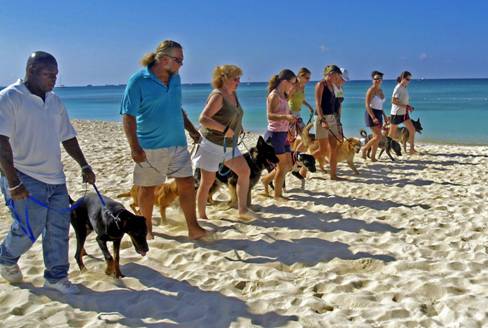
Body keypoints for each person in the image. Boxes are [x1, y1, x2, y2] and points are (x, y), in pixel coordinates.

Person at [0, 51, 96, 294]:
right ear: (30, 71)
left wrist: (84, 165)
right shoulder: (10, 98)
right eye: (48, 74)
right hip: (23, 175)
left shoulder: (54, 101)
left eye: (56, 75)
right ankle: (5, 258)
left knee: (58, 229)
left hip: (56, 178)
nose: (53, 79)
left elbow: (68, 136)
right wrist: (13, 181)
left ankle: (56, 277)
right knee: (28, 228)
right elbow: (1, 142)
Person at [120, 40, 209, 240]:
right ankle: (147, 229)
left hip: (178, 143)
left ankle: (193, 228)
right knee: (148, 188)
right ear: (163, 59)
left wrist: (192, 130)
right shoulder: (138, 81)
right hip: (150, 146)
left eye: (182, 61)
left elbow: (177, 108)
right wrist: (134, 147)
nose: (181, 65)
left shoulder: (175, 78)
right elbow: (128, 115)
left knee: (186, 183)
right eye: (178, 60)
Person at [193, 65, 257, 221]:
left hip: (229, 145)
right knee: (207, 182)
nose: (238, 81)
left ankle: (242, 210)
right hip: (211, 145)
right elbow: (203, 119)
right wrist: (224, 129)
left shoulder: (233, 93)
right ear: (224, 78)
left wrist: (239, 126)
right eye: (235, 78)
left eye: (239, 78)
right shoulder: (218, 95)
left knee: (244, 171)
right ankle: (201, 216)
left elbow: (235, 113)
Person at [261, 69, 297, 200]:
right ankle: (277, 195)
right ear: (285, 81)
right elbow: (269, 115)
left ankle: (266, 180)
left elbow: (284, 116)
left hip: (283, 134)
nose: (293, 86)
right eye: (292, 83)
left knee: (288, 165)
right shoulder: (274, 95)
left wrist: (290, 122)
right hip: (274, 135)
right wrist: (285, 117)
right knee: (282, 167)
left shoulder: (284, 95)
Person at [313, 65, 344, 180]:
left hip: (332, 118)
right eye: (337, 74)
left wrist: (338, 122)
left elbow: (335, 105)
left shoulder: (333, 86)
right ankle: (303, 164)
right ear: (330, 73)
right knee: (323, 150)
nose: (338, 77)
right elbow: (318, 104)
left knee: (334, 148)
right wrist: (322, 120)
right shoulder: (321, 84)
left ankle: (333, 175)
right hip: (322, 118)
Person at [389, 71, 417, 154]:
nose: (409, 81)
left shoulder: (404, 87)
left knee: (412, 129)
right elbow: (393, 101)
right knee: (391, 135)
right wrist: (407, 107)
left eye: (410, 79)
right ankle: (387, 148)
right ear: (402, 78)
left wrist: (409, 107)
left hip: (404, 114)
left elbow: (403, 101)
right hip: (396, 114)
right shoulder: (398, 88)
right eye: (407, 79)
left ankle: (411, 149)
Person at [362, 71, 388, 161]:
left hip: (379, 113)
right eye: (375, 79)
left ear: (382, 80)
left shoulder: (380, 90)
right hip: (371, 114)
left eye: (379, 79)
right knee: (378, 136)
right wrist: (373, 117)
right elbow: (367, 105)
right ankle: (364, 148)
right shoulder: (371, 90)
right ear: (372, 80)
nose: (377, 80)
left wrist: (384, 116)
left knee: (376, 138)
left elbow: (380, 106)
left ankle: (373, 157)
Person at [288, 67, 314, 148]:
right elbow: (286, 100)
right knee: (292, 136)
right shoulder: (294, 86)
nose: (308, 80)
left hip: (298, 114)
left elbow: (301, 99)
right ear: (300, 76)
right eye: (307, 78)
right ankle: (290, 153)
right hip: (291, 113)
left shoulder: (302, 87)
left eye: (309, 78)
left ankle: (295, 152)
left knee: (304, 134)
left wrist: (309, 106)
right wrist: (288, 113)